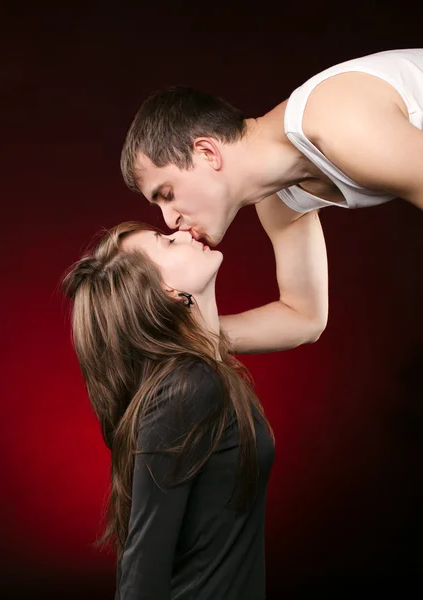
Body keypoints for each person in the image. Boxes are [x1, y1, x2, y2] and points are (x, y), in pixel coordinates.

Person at [120, 48, 423, 353]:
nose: (169, 220)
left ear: (207, 153)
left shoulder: (337, 124)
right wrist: (189, 336)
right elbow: (303, 317)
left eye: (167, 194)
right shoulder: (278, 201)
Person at [63, 221, 276, 599]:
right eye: (166, 241)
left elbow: (310, 319)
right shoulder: (188, 387)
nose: (182, 233)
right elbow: (142, 569)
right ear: (168, 292)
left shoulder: (207, 370)